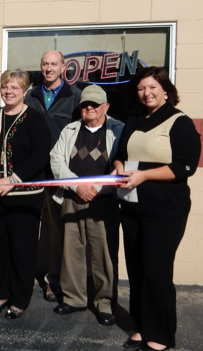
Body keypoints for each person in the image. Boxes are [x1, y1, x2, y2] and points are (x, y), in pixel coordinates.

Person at [114, 67, 200, 351]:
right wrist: (118, 168)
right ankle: (141, 327)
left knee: (156, 270)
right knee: (137, 269)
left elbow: (185, 167)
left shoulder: (180, 121)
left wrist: (144, 175)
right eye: (140, 88)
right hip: (132, 206)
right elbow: (120, 156)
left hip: (165, 209)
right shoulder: (135, 118)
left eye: (152, 87)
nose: (146, 93)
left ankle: (161, 336)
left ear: (165, 89)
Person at [0, 69, 51, 318]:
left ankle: (19, 299)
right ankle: (0, 294)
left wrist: (12, 180)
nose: (9, 91)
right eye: (5, 87)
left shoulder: (36, 120)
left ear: (25, 91)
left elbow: (40, 155)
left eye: (15, 88)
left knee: (21, 248)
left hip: (25, 197)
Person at [49, 85, 124, 326]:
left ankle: (104, 303)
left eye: (94, 104)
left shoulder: (119, 130)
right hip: (72, 198)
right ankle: (74, 298)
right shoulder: (70, 129)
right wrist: (76, 186)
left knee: (103, 253)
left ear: (106, 107)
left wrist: (98, 190)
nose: (89, 108)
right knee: (72, 250)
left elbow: (122, 167)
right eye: (84, 104)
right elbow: (56, 159)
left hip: (105, 201)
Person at [25, 50, 82, 302]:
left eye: (54, 64)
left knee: (57, 230)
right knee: (27, 225)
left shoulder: (75, 97)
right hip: (32, 173)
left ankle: (53, 279)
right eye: (45, 64)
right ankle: (26, 273)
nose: (49, 68)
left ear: (63, 67)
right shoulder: (30, 95)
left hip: (60, 174)